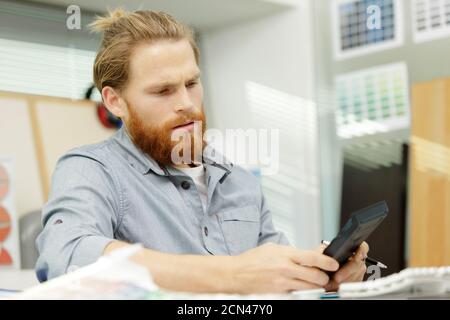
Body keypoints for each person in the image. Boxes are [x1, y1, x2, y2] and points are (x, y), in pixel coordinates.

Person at [36, 9, 368, 294]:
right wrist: (233, 275)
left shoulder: (238, 180)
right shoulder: (90, 170)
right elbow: (67, 255)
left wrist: (322, 276)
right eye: (163, 91)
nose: (185, 103)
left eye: (191, 84)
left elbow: (274, 272)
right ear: (114, 101)